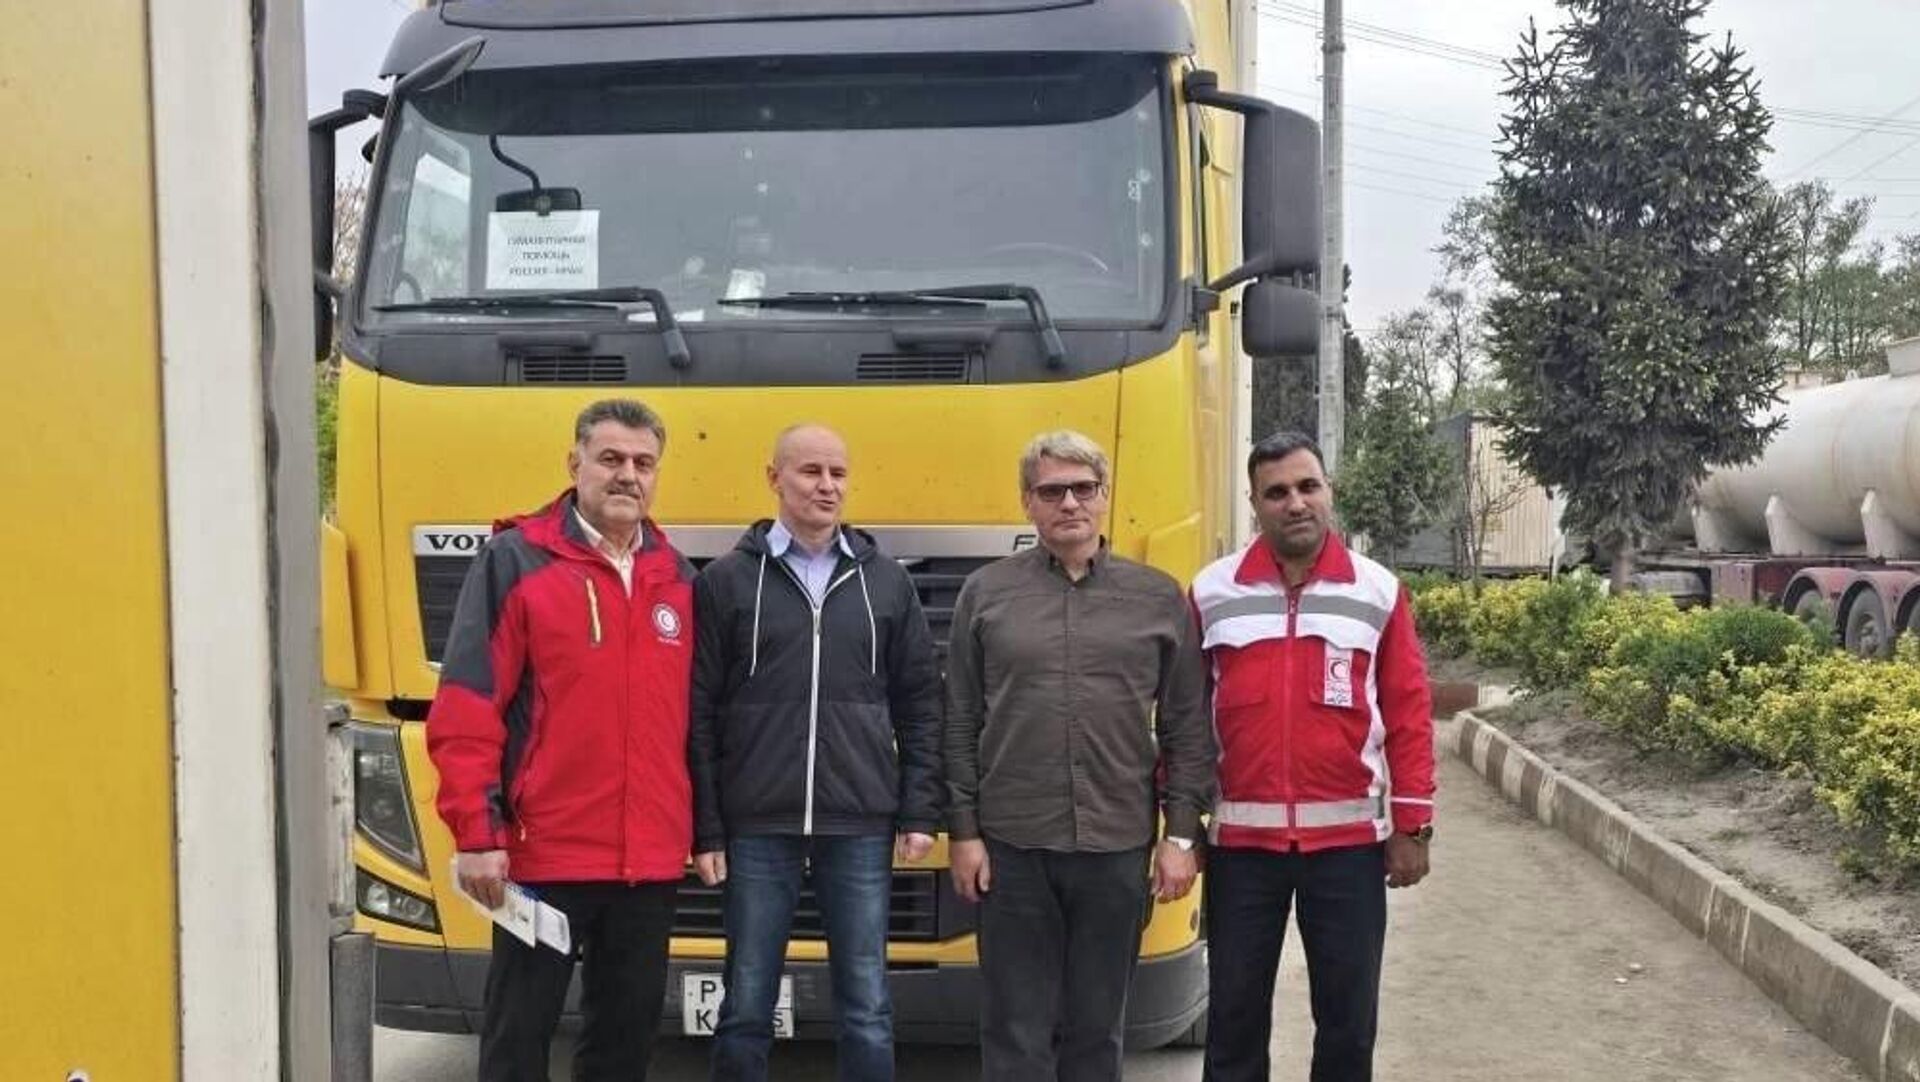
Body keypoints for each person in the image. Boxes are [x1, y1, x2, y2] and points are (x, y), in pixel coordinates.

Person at [426, 398, 697, 1082]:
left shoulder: (678, 579)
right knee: (517, 1043)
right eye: (610, 459)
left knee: (623, 1049)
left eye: (643, 463)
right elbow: (467, 705)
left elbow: (697, 724)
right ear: (574, 463)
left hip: (647, 863)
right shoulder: (515, 563)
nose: (628, 475)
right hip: (541, 856)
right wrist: (477, 834)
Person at [944, 429, 1217, 1082]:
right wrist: (964, 832)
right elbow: (959, 719)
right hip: (1012, 846)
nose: (1069, 503)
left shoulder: (1158, 598)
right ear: (1027, 502)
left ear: (1104, 495)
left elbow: (1186, 725)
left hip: (1116, 846)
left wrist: (1181, 834)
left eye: (1083, 488)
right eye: (1051, 491)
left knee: (1098, 1030)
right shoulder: (984, 594)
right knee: (1014, 1029)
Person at [688, 423, 944, 1082]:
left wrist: (919, 810)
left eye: (838, 473)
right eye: (811, 472)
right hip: (755, 823)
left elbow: (920, 703)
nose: (827, 486)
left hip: (859, 821)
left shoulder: (886, 583)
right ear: (774, 478)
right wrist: (707, 827)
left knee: (867, 1003)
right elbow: (700, 713)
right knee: (746, 1000)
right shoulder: (724, 582)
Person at [1192, 431, 1436, 1082]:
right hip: (1241, 851)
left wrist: (1413, 827)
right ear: (1254, 504)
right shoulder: (1212, 593)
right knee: (1233, 1024)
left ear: (1329, 490)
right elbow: (1187, 720)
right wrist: (1182, 827)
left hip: (1348, 852)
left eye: (1308, 486)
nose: (1295, 503)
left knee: (1348, 1026)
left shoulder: (1377, 591)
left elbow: (1409, 713)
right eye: (1276, 492)